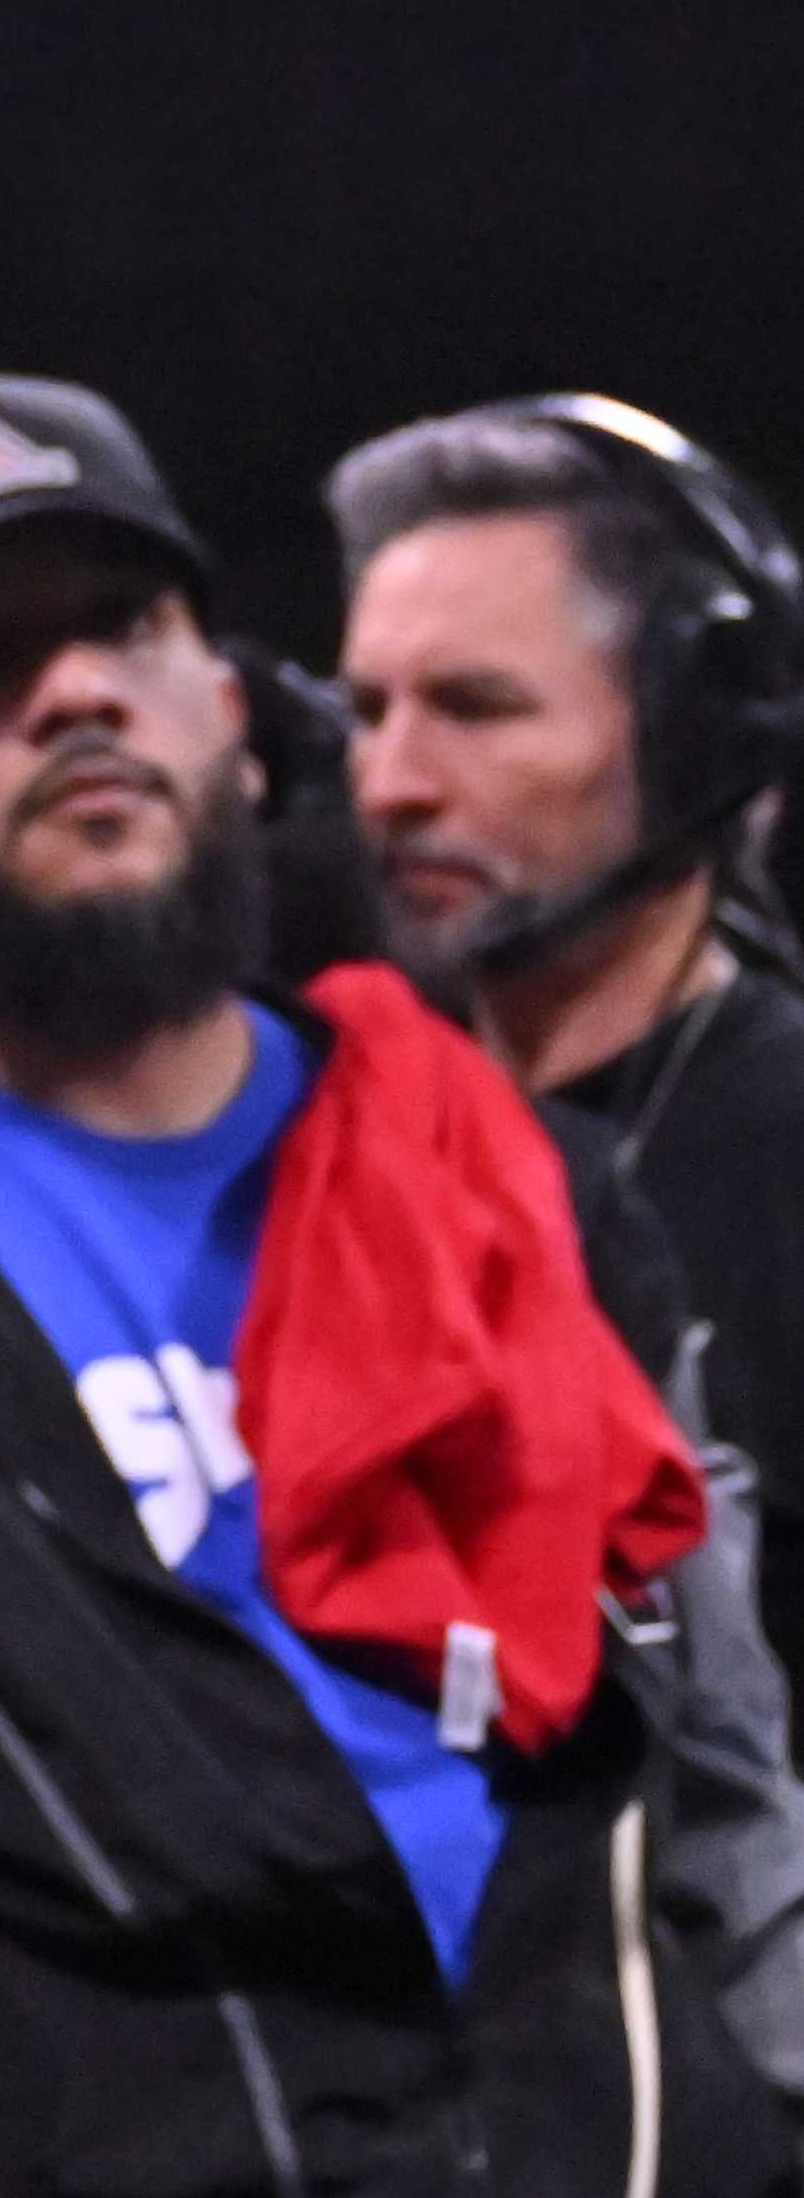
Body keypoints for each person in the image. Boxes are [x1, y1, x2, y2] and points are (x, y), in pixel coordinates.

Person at [0, 367, 784, 2196]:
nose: (71, 691)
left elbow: (728, 1811)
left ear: (234, 709)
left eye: (122, 622)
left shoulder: (501, 1179)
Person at [336, 396, 804, 1690]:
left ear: (693, 739)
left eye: (473, 708)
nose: (389, 783)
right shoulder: (326, 1140)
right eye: (366, 711)